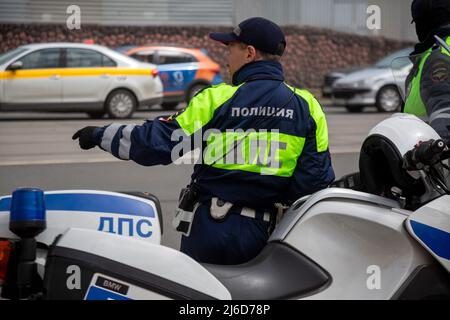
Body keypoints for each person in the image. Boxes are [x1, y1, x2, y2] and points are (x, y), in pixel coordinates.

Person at [73, 17, 335, 265]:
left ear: (250, 53)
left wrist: (99, 135)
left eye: (230, 48)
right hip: (268, 235)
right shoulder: (309, 106)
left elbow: (158, 144)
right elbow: (314, 183)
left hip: (211, 230)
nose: (226, 58)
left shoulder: (216, 98)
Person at [404, 0, 450, 143]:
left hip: (436, 162)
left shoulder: (438, 56)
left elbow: (444, 109)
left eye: (418, 22)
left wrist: (436, 145)